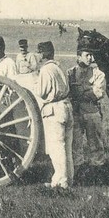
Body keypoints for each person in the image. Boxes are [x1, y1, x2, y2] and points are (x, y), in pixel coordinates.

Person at [37, 41, 74, 190]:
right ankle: (65, 179)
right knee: (67, 148)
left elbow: (41, 92)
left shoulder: (46, 70)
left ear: (43, 54)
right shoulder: (59, 67)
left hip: (54, 111)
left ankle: (62, 183)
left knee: (56, 148)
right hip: (66, 107)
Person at [67, 43, 108, 167]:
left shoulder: (98, 73)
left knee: (96, 143)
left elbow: (98, 93)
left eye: (91, 55)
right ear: (79, 57)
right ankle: (77, 168)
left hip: (92, 112)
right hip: (76, 113)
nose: (90, 58)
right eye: (87, 55)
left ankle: (98, 167)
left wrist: (79, 92)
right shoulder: (70, 73)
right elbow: (68, 92)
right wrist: (88, 90)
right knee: (75, 144)